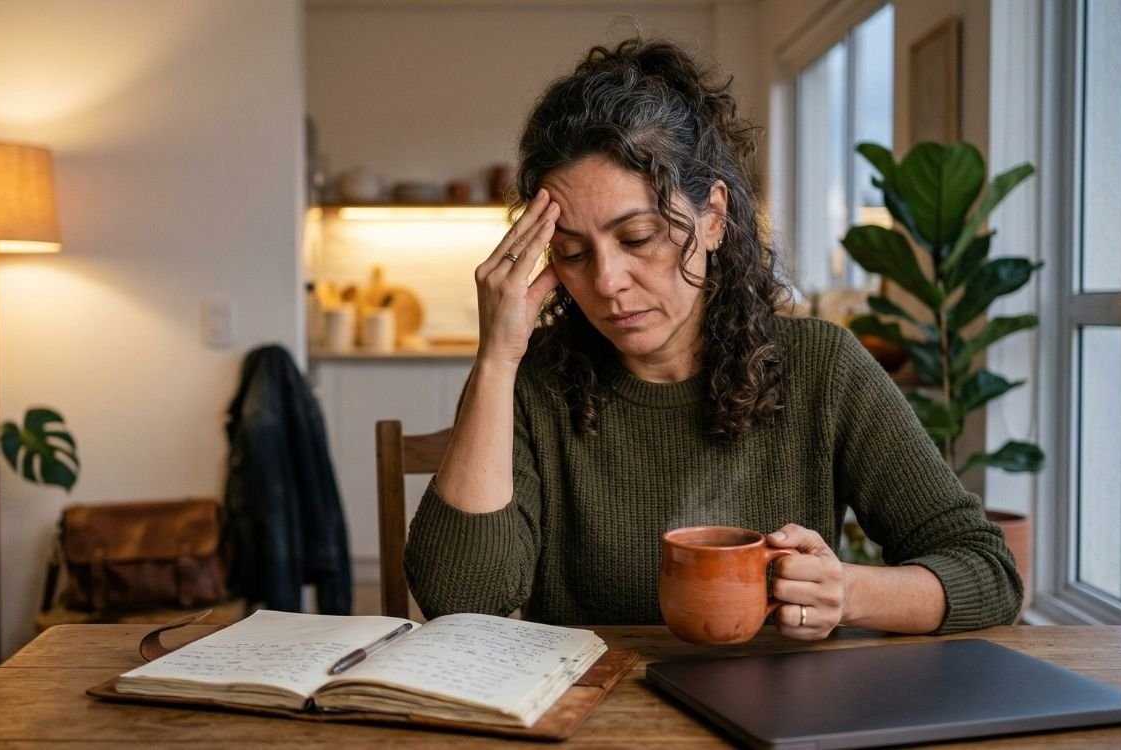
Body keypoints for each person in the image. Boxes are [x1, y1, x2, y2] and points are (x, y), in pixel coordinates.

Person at [403, 37, 1022, 639]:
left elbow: (989, 573)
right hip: (596, 724)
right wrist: (495, 360)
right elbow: (461, 603)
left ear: (715, 217)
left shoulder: (820, 366)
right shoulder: (532, 380)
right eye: (570, 253)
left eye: (639, 237)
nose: (608, 282)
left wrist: (849, 593)